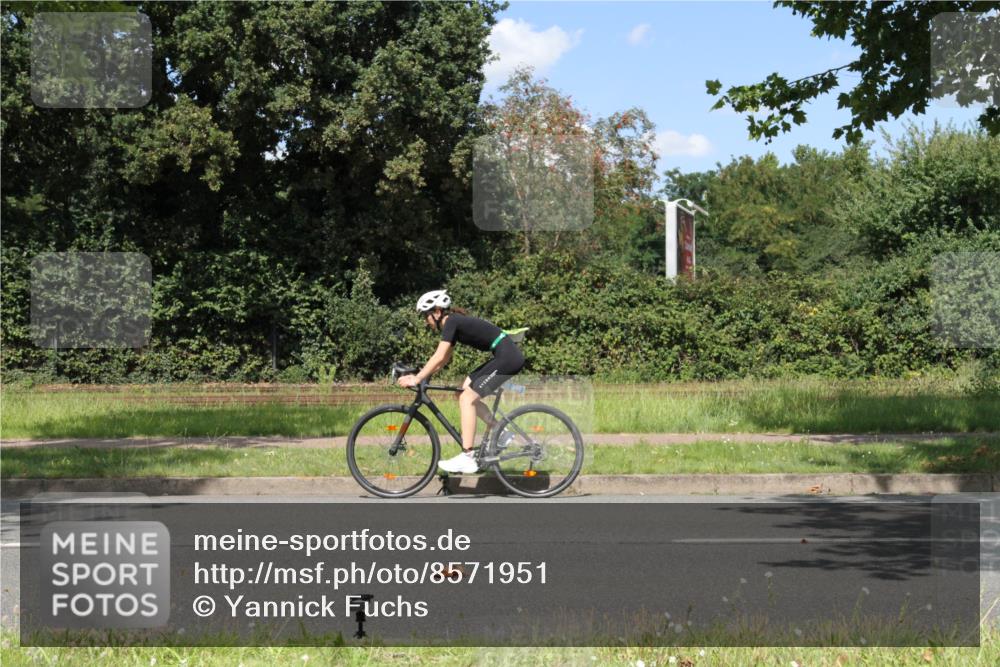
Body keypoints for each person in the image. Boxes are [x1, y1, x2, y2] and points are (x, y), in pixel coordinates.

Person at [397, 289, 525, 474]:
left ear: (437, 311)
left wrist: (417, 378)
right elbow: (443, 360)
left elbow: (440, 355)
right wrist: (423, 377)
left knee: (467, 399)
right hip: (504, 355)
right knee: (461, 393)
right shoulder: (453, 324)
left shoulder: (452, 321)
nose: (426, 321)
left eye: (426, 315)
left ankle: (467, 457)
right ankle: (501, 432)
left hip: (508, 357)